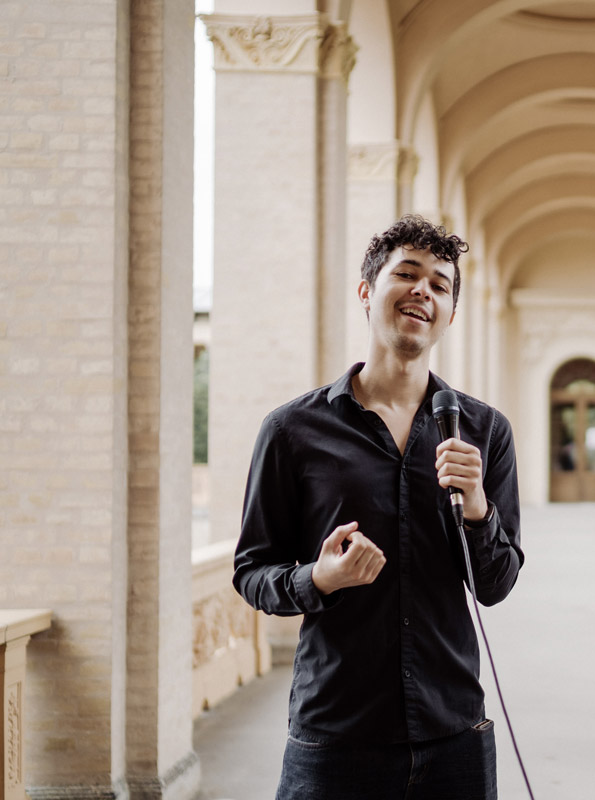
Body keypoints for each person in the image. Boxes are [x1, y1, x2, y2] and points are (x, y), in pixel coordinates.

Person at [233, 214, 524, 800]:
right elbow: (250, 572)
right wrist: (318, 577)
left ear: (449, 315)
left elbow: (497, 582)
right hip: (336, 737)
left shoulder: (485, 431)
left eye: (440, 285)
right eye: (408, 274)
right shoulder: (292, 431)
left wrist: (475, 508)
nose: (424, 290)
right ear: (367, 293)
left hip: (455, 734)